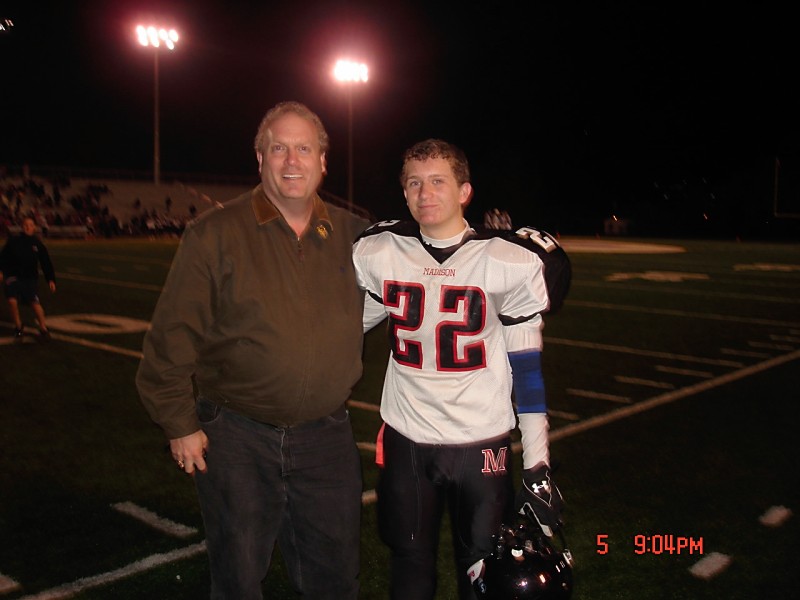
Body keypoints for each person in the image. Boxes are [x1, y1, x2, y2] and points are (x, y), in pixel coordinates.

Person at [135, 101, 371, 600]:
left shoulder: (356, 237)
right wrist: (179, 422)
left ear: (323, 161)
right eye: (279, 148)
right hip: (237, 436)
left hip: (326, 438)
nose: (292, 160)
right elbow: (171, 336)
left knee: (335, 578)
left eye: (304, 148)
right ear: (260, 158)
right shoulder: (216, 233)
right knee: (238, 579)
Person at [353, 139, 572, 599]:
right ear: (404, 192)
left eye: (438, 181)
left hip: (480, 444)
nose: (425, 193)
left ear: (465, 191)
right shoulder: (381, 250)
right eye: (415, 183)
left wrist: (537, 465)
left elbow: (527, 373)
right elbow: (349, 325)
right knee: (409, 565)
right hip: (407, 438)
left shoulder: (507, 259)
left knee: (483, 575)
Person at [0, 216, 56, 341]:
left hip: (29, 278)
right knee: (12, 301)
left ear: (34, 227)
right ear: (22, 226)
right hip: (13, 276)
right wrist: (1, 271)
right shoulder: (14, 241)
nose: (27, 227)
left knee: (35, 303)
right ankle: (18, 326)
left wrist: (50, 279)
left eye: (30, 225)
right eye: (25, 225)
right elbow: (2, 257)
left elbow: (46, 262)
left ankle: (43, 328)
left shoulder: (37, 244)